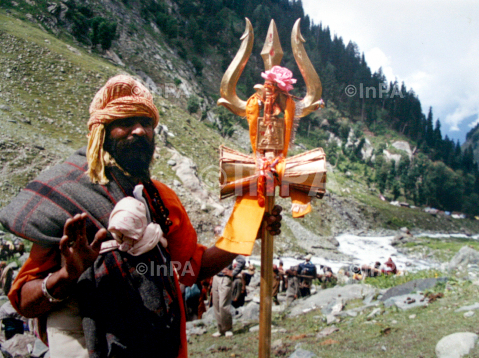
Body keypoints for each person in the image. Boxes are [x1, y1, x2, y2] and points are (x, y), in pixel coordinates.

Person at [0, 75, 281, 358]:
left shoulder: (161, 199)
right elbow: (24, 301)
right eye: (125, 122)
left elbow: (192, 269)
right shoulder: (67, 196)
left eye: (146, 123)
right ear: (101, 131)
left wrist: (246, 230)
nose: (139, 131)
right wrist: (68, 274)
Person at [212, 254, 245, 337]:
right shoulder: (216, 247)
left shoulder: (229, 248)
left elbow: (242, 260)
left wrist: (233, 272)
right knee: (216, 304)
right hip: (216, 277)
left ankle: (228, 329)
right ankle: (220, 330)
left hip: (225, 278)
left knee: (223, 305)